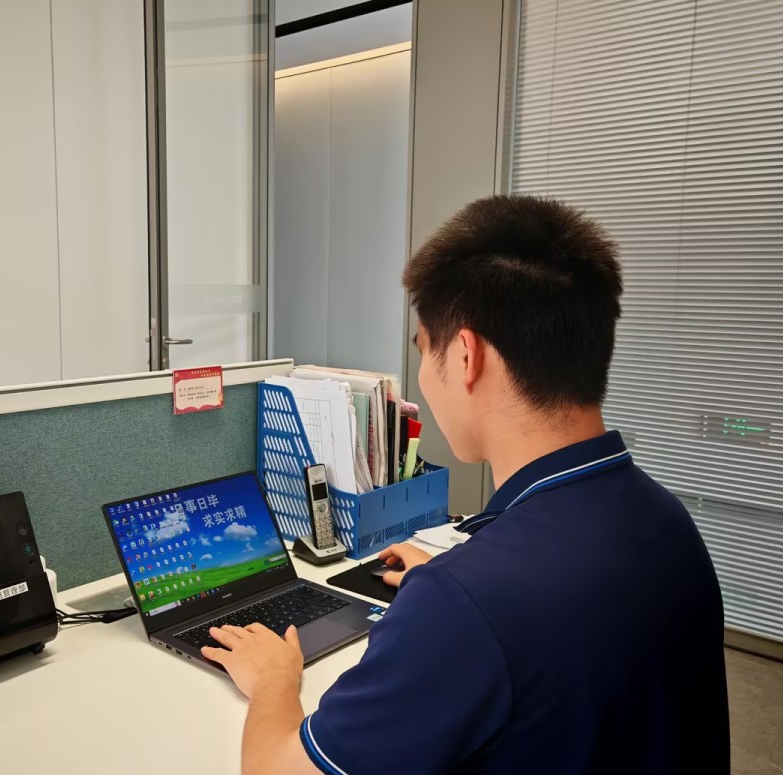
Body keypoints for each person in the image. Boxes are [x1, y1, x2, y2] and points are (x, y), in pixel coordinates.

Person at [201, 195, 730, 775]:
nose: (424, 378)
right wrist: (454, 585)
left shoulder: (465, 601)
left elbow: (275, 769)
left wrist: (275, 681)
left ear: (465, 355)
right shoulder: (668, 523)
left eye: (423, 349)